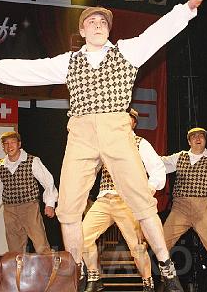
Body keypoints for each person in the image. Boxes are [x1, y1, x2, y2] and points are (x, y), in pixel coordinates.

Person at [0, 0, 207, 292]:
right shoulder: (69, 62)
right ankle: (74, 274)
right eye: (92, 22)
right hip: (81, 132)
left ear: (109, 30)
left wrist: (186, 9)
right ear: (83, 31)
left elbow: (157, 34)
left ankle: (166, 268)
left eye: (103, 22)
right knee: (68, 209)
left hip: (116, 128)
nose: (98, 25)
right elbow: (30, 69)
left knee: (142, 201)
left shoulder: (127, 51)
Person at [82, 108, 166, 292]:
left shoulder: (140, 143)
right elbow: (91, 169)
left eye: (126, 119)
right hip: (104, 199)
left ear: (133, 123)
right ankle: (94, 278)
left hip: (127, 201)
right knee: (82, 237)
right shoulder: (106, 144)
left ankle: (148, 283)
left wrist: (149, 189)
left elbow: (158, 168)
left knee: (137, 246)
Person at [162, 127, 207, 292]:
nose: (198, 138)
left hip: (202, 209)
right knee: (161, 243)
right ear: (189, 141)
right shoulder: (180, 157)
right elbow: (158, 163)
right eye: (194, 136)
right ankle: (169, 279)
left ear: (205, 140)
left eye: (201, 136)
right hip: (180, 208)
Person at [0, 130, 57, 255]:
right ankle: (18, 268)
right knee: (15, 248)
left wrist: (50, 204)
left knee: (40, 244)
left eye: (12, 142)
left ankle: (48, 266)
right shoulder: (1, 165)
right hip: (10, 210)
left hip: (29, 207)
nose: (9, 146)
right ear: (3, 147)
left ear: (19, 144)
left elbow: (48, 181)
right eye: (6, 143)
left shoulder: (32, 161)